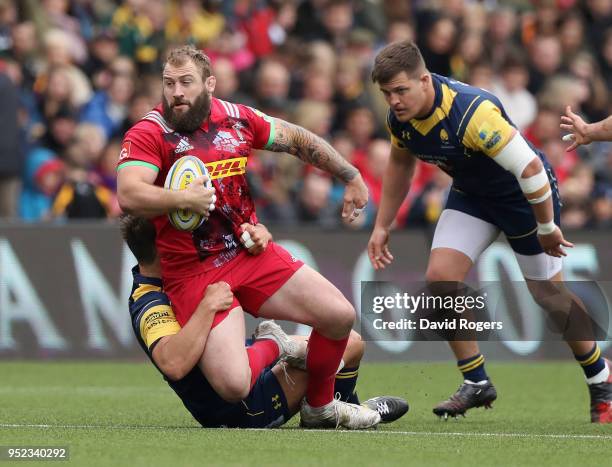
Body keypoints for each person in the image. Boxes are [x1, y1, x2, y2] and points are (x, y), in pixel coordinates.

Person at [116, 45, 376, 429]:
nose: (177, 93)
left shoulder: (237, 118)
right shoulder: (150, 132)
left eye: (186, 82)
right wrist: (182, 198)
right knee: (234, 385)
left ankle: (320, 407)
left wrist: (350, 175)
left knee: (339, 316)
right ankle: (275, 343)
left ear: (209, 84)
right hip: (192, 272)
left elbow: (296, 139)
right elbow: (128, 193)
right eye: (169, 83)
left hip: (247, 251)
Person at [367, 40, 612, 423]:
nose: (395, 101)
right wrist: (382, 224)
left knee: (549, 294)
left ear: (425, 81)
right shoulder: (401, 119)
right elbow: (400, 163)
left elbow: (530, 169)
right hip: (473, 196)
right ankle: (476, 381)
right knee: (440, 281)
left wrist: (546, 227)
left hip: (524, 198)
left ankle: (602, 378)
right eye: (387, 94)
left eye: (401, 90)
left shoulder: (471, 112)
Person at [120, 214, 409, 428]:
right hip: (240, 407)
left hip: (252, 363)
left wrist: (258, 233)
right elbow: (173, 362)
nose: (186, 233)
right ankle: (325, 400)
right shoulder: (149, 301)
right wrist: (207, 307)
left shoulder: (188, 269)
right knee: (345, 346)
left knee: (351, 341)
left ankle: (340, 407)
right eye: (176, 231)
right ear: (163, 243)